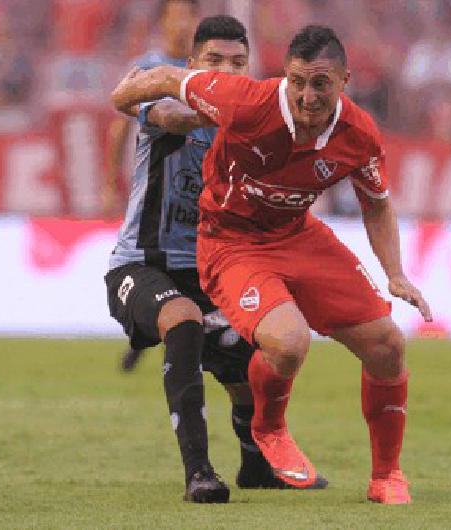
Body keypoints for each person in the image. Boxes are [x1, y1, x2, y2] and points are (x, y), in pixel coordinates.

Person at [112, 25, 432, 504]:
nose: (306, 96)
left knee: (388, 345)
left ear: (344, 80)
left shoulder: (359, 133)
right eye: (297, 82)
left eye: (320, 84)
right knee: (288, 343)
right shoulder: (243, 100)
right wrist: (124, 95)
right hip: (230, 242)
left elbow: (377, 203)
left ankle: (386, 476)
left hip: (296, 234)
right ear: (285, 76)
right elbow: (160, 75)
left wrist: (396, 273)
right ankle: (269, 429)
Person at [105, 15, 326, 504]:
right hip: (141, 265)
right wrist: (232, 109)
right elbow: (171, 117)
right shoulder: (166, 97)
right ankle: (199, 472)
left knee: (263, 349)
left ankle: (256, 463)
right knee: (182, 321)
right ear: (191, 66)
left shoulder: (253, 125)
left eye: (237, 64)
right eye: (214, 62)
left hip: (212, 270)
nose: (227, 71)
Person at [104, 0, 199, 372]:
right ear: (163, 23)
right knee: (153, 262)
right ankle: (147, 338)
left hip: (196, 188)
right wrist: (111, 179)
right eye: (174, 15)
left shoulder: (201, 71)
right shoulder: (148, 68)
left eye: (187, 15)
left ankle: (156, 340)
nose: (181, 23)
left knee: (184, 268)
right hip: (158, 188)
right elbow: (120, 127)